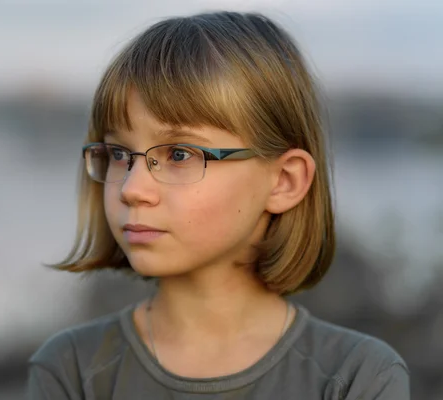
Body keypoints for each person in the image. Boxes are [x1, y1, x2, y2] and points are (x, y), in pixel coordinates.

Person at [26, 10, 409, 399]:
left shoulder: (358, 377)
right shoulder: (71, 370)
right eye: (120, 154)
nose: (131, 188)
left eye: (179, 154)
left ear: (284, 181)